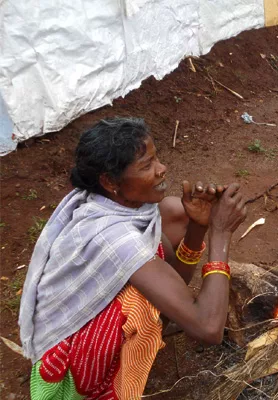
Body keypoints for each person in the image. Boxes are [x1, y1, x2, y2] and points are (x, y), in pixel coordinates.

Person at [18, 118, 247, 399]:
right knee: (139, 302)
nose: (162, 169)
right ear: (110, 181)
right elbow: (209, 329)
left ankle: (142, 333)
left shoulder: (126, 209)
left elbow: (175, 280)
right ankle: (102, 387)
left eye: (157, 158)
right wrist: (220, 234)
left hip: (91, 312)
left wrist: (199, 227)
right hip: (67, 368)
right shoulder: (116, 239)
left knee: (176, 215)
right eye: (147, 165)